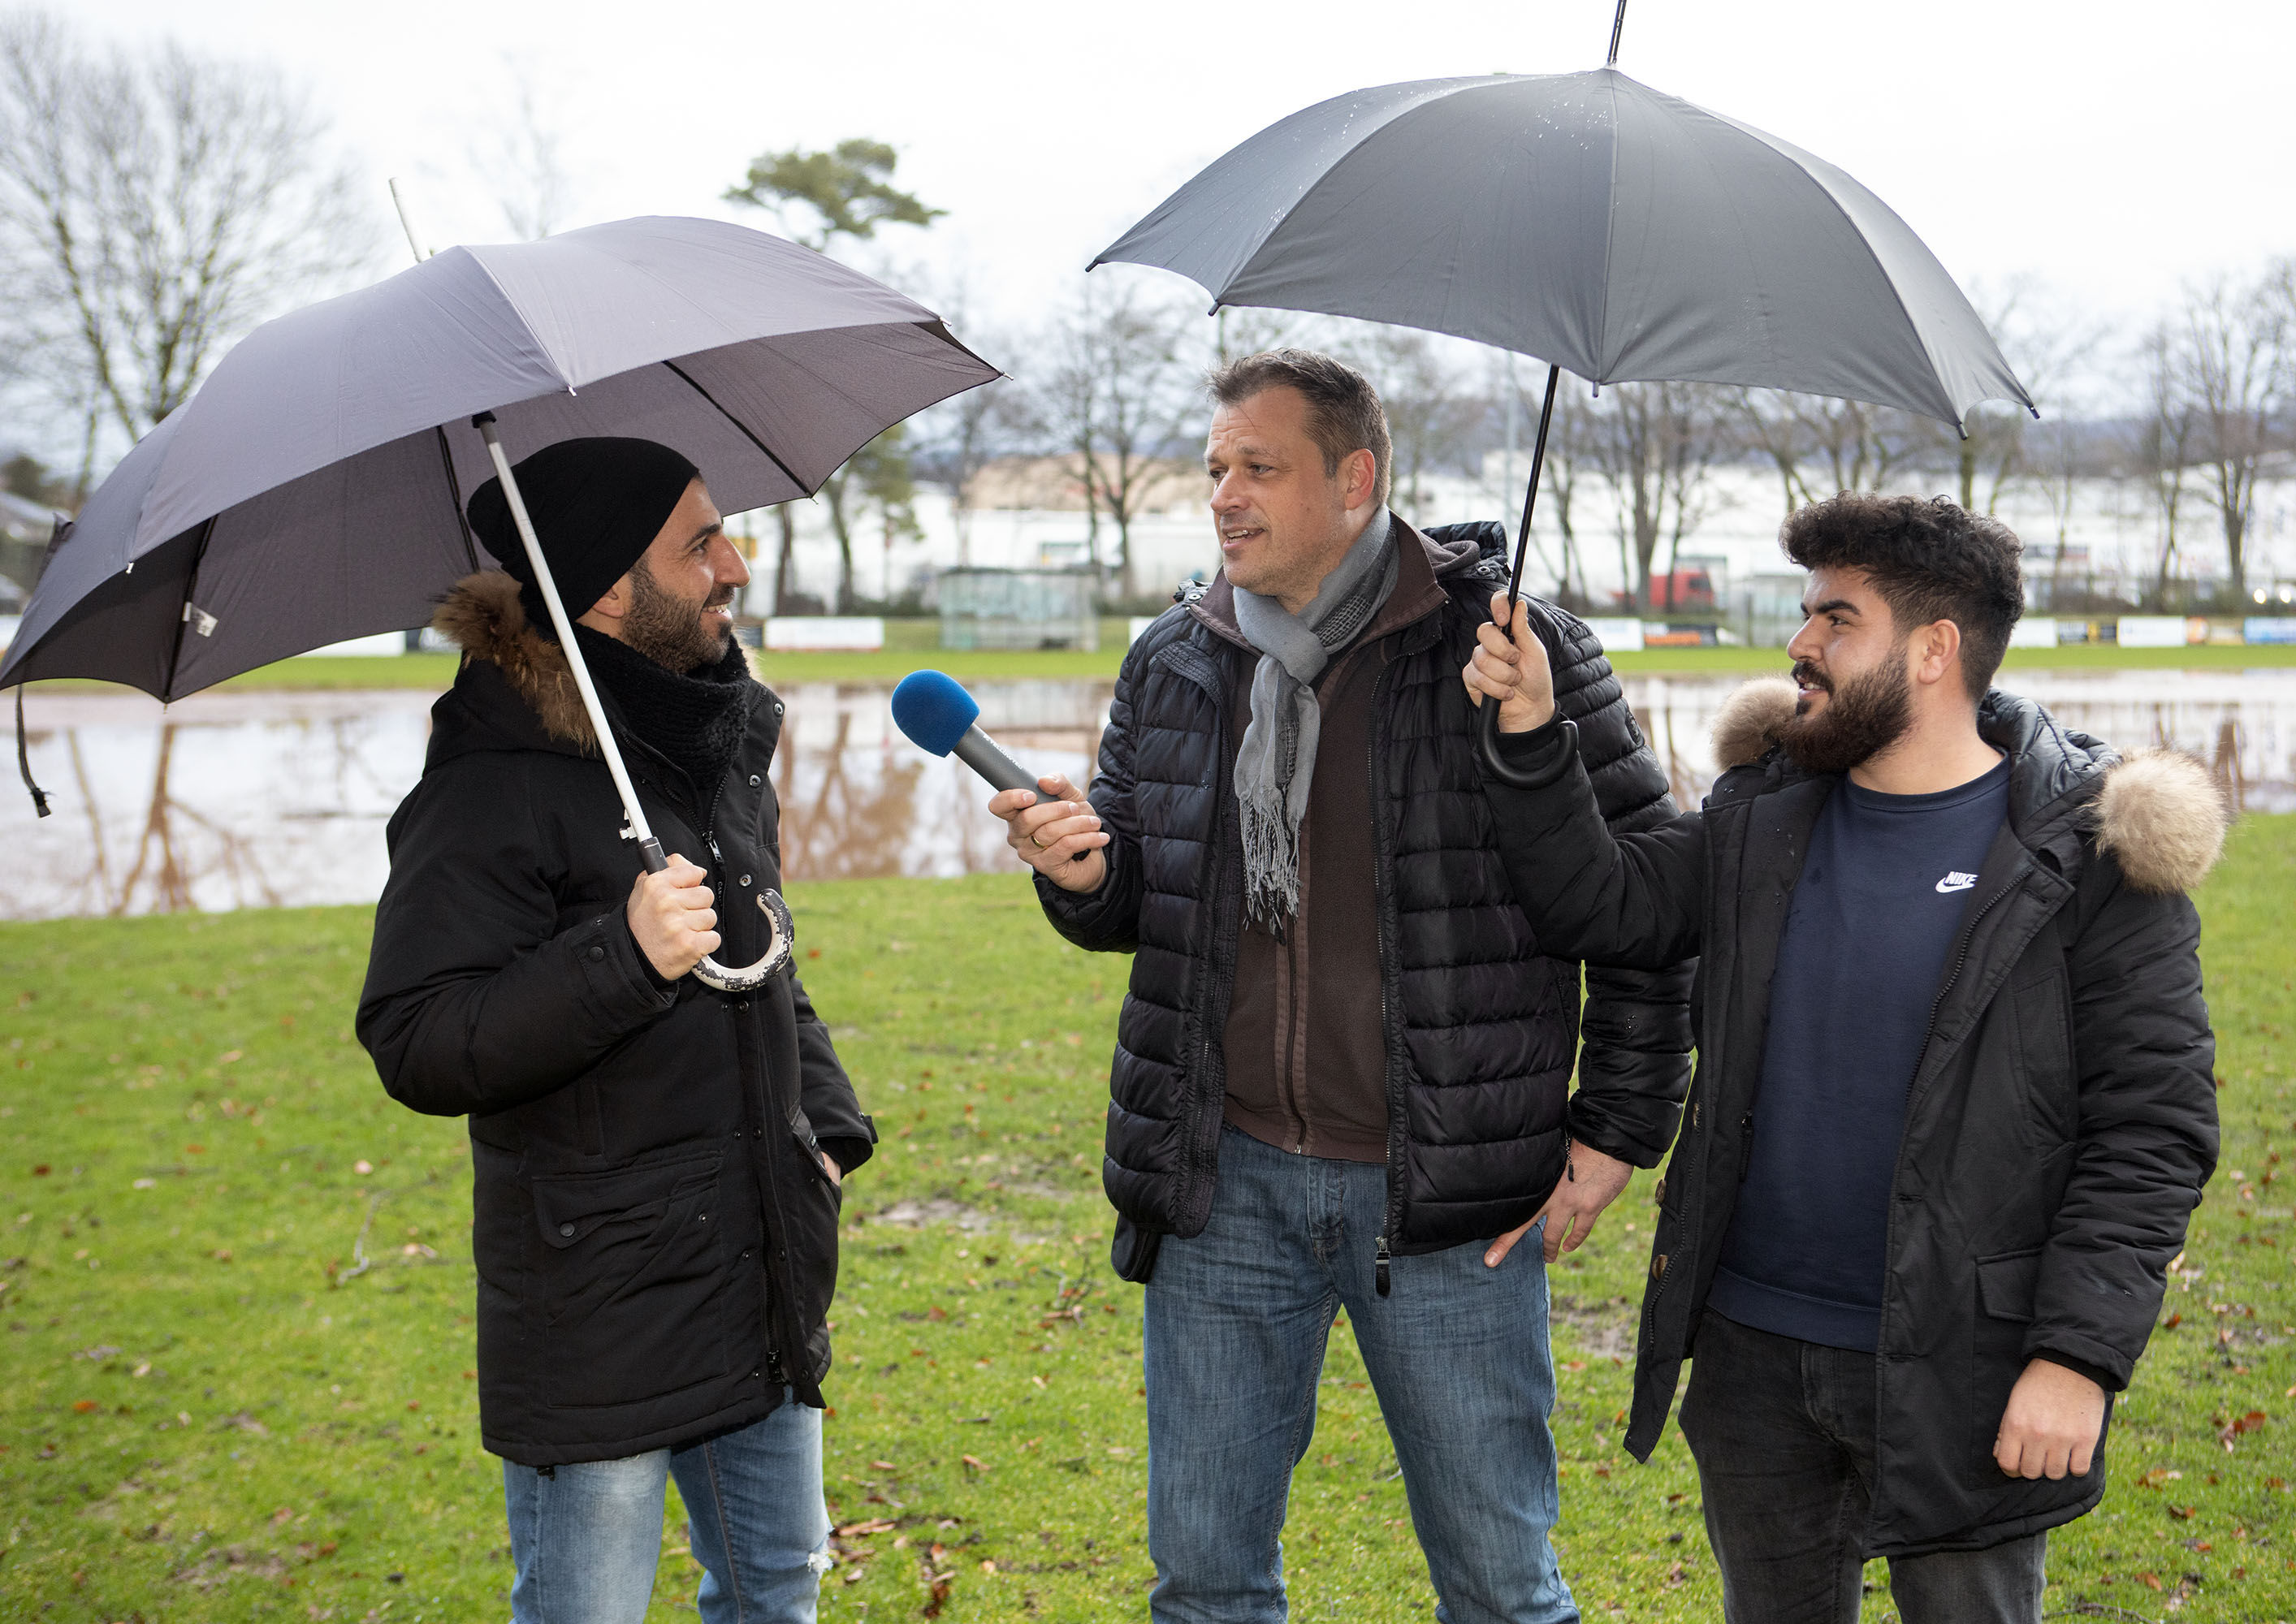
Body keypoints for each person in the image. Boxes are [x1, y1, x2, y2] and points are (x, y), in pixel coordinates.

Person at [988, 349, 1692, 1624]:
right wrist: (1082, 873)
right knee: (1204, 1586)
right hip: (1222, 1188)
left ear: (1355, 479)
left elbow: (1645, 911)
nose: (1225, 496)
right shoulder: (1175, 659)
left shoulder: (1515, 654)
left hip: (1447, 1197)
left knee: (1500, 1585)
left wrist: (1616, 1131)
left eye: (1260, 468)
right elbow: (1145, 901)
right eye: (1215, 469)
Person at [1463, 492, 2224, 1624]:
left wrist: (2077, 1358)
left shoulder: (2082, 855)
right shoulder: (1761, 814)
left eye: (1835, 618)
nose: (1800, 645)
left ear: (1932, 651)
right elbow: (1607, 907)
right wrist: (1531, 732)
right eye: (1808, 614)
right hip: (1752, 1358)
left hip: (1964, 1364)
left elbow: (2152, 1132)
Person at [357, 437, 871, 1624]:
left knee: (775, 1593)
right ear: (601, 588)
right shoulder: (492, 780)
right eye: (699, 544)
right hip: (598, 1307)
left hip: (756, 1268)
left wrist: (824, 1132)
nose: (733, 566)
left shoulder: (712, 743)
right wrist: (621, 957)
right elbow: (419, 1037)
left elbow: (766, 958)